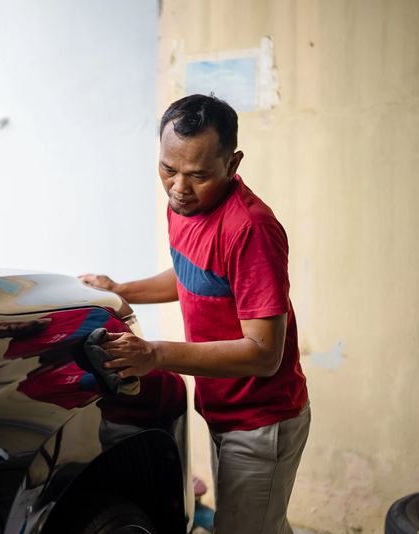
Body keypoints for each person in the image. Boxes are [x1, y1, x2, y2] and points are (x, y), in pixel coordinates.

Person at [80, 94, 310, 534]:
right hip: (222, 407)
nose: (179, 188)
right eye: (169, 169)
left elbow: (265, 354)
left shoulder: (251, 230)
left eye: (198, 175)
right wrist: (120, 289)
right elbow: (193, 275)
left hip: (261, 419)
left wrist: (156, 354)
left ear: (233, 163)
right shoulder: (184, 206)